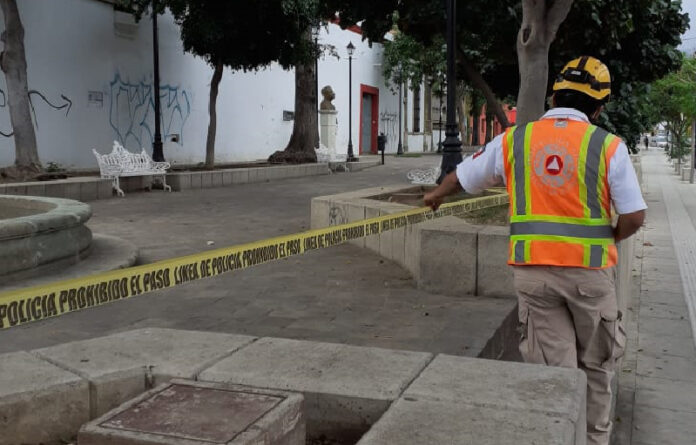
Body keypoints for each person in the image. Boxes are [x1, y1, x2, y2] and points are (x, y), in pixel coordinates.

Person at [423, 56, 645, 445]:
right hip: (590, 278)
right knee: (596, 368)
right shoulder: (608, 146)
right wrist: (610, 237)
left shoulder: (515, 139)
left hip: (534, 278)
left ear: (553, 95)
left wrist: (437, 195)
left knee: (554, 374)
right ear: (598, 106)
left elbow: (465, 175)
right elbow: (634, 215)